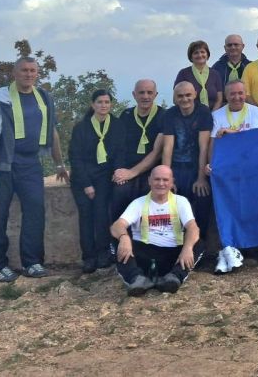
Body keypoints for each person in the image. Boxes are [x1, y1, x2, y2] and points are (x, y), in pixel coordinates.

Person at [0, 56, 69, 282]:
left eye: (33, 71)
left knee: (35, 212)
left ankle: (33, 261)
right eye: (24, 70)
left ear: (37, 73)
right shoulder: (0, 98)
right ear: (14, 73)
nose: (29, 74)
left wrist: (59, 163)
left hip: (31, 164)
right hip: (3, 164)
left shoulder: (44, 97)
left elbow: (52, 132)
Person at [110, 165, 203, 295]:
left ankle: (174, 277)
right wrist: (124, 238)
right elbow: (117, 225)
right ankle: (137, 279)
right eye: (157, 179)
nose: (161, 184)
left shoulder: (181, 202)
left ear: (172, 182)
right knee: (116, 240)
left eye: (165, 180)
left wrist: (187, 248)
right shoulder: (138, 203)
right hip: (143, 253)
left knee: (196, 242)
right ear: (149, 181)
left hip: (172, 254)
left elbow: (193, 227)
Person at [208, 79, 258, 273]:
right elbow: (213, 143)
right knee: (228, 208)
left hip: (250, 167)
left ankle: (251, 245)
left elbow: (254, 139)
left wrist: (231, 132)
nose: (237, 97)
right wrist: (211, 164)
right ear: (226, 95)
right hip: (227, 170)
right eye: (233, 94)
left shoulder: (254, 112)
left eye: (240, 93)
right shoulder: (217, 115)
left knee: (250, 206)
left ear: (246, 93)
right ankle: (228, 248)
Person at [69, 89, 124, 273]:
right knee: (86, 217)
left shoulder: (116, 125)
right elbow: (75, 158)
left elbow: (118, 153)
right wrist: (86, 184)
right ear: (93, 105)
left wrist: (118, 172)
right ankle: (88, 257)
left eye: (107, 102)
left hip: (104, 178)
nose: (103, 105)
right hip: (82, 179)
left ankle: (103, 254)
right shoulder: (81, 128)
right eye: (100, 102)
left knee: (101, 216)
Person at [161, 82, 214, 239]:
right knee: (170, 200)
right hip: (176, 167)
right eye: (180, 96)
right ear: (175, 97)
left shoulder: (203, 112)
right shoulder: (170, 114)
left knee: (203, 197)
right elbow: (167, 148)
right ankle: (173, 243)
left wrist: (201, 178)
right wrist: (167, 180)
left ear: (195, 94)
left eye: (188, 95)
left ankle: (200, 242)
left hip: (195, 166)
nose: (184, 99)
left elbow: (203, 146)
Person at [111, 79, 168, 222]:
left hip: (151, 170)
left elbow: (158, 152)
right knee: (118, 195)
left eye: (149, 92)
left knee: (147, 199)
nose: (145, 96)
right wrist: (119, 172)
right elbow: (119, 147)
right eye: (141, 92)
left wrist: (131, 173)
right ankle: (118, 240)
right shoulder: (126, 115)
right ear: (134, 95)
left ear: (155, 95)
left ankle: (143, 242)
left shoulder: (164, 116)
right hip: (128, 168)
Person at [174, 40, 224, 112]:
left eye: (202, 52)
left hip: (213, 116)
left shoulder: (215, 74)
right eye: (196, 53)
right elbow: (176, 99)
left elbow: (219, 100)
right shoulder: (184, 73)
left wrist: (211, 116)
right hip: (190, 117)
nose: (200, 55)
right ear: (191, 56)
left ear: (207, 55)